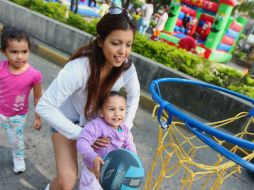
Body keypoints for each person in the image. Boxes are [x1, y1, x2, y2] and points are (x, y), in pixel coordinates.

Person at [36, 5, 140, 190]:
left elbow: (134, 95)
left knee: (101, 178)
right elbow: (45, 106)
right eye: (116, 43)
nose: (123, 51)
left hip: (97, 126)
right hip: (67, 122)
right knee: (66, 182)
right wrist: (81, 134)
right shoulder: (80, 68)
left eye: (128, 44)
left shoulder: (127, 68)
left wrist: (123, 126)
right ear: (101, 41)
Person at [0, 28, 42, 173]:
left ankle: (18, 158)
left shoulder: (34, 75)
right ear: (4, 51)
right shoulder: (1, 68)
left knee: (16, 141)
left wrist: (37, 118)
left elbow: (37, 97)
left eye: (24, 52)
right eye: (14, 52)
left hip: (17, 116)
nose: (19, 56)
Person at [77, 91, 137, 189]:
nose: (117, 113)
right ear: (101, 111)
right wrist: (94, 157)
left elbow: (130, 145)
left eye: (121, 109)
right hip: (92, 175)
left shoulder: (124, 129)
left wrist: (134, 160)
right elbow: (82, 142)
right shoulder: (97, 125)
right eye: (111, 109)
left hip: (112, 176)